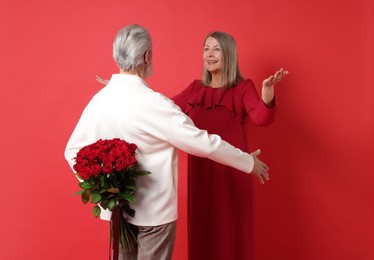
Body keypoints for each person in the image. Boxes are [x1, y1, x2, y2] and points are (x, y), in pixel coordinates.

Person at [65, 24, 270, 260]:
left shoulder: (100, 100)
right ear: (147, 56)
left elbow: (72, 150)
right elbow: (204, 142)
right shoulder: (155, 105)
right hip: (155, 216)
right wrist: (248, 162)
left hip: (117, 213)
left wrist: (104, 190)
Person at [171, 31, 288, 260]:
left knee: (232, 243)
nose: (210, 54)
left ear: (229, 55)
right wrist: (129, 89)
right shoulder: (194, 89)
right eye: (206, 48)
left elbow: (262, 118)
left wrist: (267, 92)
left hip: (234, 176)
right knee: (203, 240)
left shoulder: (243, 88)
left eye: (217, 49)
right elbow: (161, 107)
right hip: (202, 178)